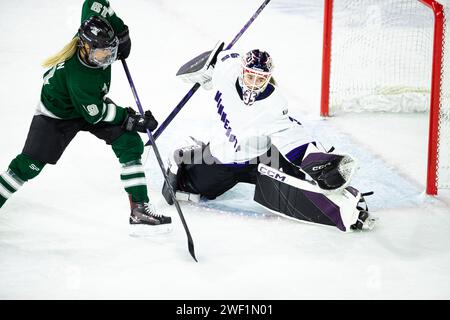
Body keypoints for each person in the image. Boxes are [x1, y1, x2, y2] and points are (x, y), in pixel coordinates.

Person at [162, 43, 376, 232]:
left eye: (261, 78)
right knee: (192, 190)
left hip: (259, 157)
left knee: (301, 178)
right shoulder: (226, 69)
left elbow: (291, 136)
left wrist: (316, 160)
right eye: (250, 76)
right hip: (221, 159)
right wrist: (205, 70)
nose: (254, 83)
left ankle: (341, 198)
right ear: (241, 71)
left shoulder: (274, 104)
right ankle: (190, 152)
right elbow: (211, 60)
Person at [0, 0, 171, 229]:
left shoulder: (91, 34)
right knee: (29, 165)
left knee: (129, 142)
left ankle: (138, 209)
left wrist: (120, 30)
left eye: (111, 52)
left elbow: (94, 3)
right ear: (85, 47)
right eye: (102, 54)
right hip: (56, 116)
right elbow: (96, 115)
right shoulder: (81, 77)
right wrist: (129, 118)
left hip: (86, 104)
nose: (108, 59)